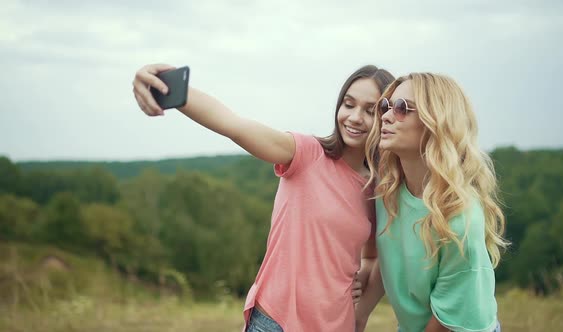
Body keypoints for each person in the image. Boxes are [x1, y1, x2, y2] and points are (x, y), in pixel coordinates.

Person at [132, 64, 394, 331]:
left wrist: (359, 298)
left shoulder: (377, 190)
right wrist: (169, 88)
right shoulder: (306, 154)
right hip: (276, 321)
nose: (355, 117)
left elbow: (372, 258)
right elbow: (231, 123)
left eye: (370, 110)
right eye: (348, 104)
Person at [355, 73, 508, 332]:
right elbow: (392, 256)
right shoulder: (388, 191)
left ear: (434, 122)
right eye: (385, 106)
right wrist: (358, 317)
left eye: (403, 108)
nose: (386, 116)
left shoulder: (459, 218)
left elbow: (446, 324)